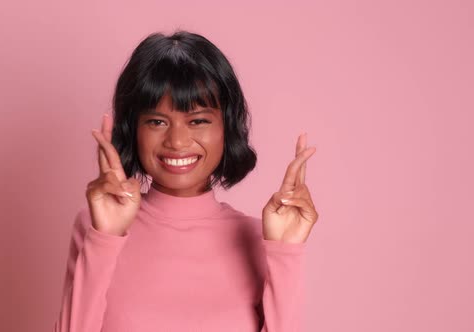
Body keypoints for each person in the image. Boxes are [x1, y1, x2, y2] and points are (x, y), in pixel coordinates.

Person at [54, 30, 319, 332]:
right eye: (157, 122)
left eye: (198, 121)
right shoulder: (96, 226)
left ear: (226, 128)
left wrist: (285, 253)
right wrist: (105, 239)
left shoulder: (260, 238)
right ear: (133, 130)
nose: (177, 141)